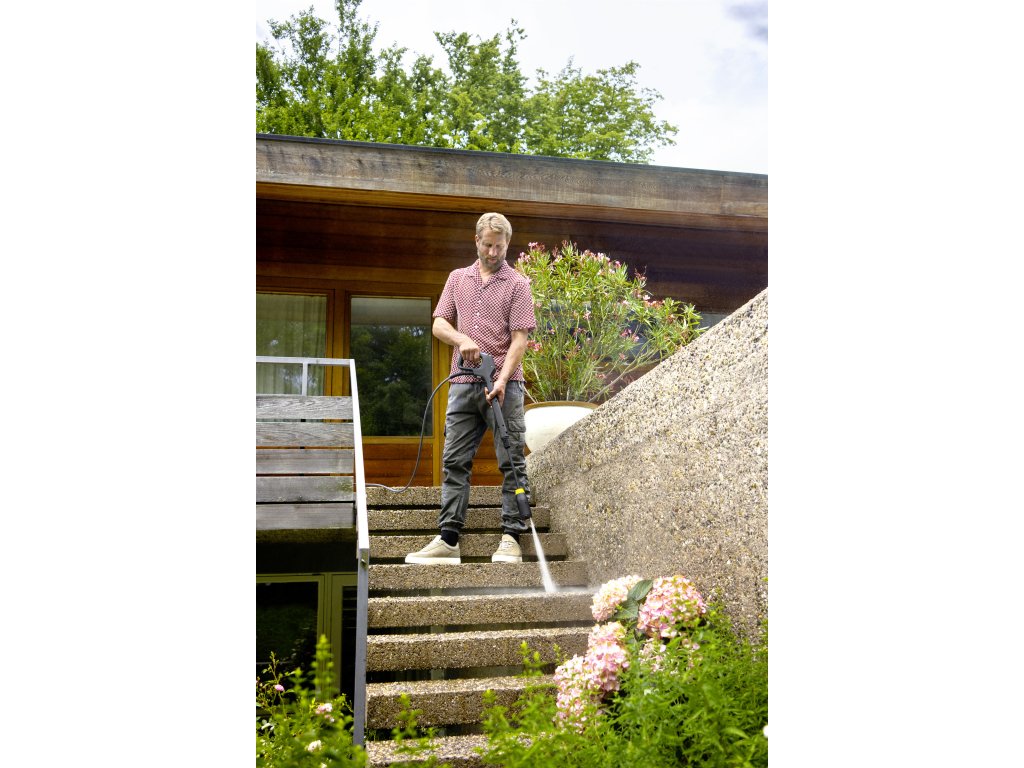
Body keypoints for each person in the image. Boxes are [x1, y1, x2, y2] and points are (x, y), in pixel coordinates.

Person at [405, 212, 536, 565]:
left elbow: (520, 339)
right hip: (463, 383)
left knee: (511, 460)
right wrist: (462, 339)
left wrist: (502, 379)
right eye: (488, 245)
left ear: (507, 244)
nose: (493, 252)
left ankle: (511, 537)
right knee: (454, 460)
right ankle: (448, 539)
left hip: (505, 386)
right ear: (476, 241)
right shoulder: (457, 278)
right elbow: (439, 324)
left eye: (500, 246)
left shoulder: (518, 285)